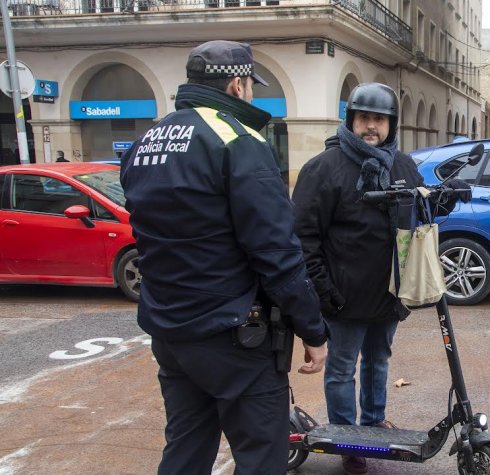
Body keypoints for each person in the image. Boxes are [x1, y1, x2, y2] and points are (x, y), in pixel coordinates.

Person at [120, 40, 328, 474]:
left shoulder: (148, 140)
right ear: (237, 84)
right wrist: (313, 330)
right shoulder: (239, 140)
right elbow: (277, 253)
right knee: (260, 456)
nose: (251, 93)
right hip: (234, 334)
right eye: (251, 85)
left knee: (186, 447)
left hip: (171, 331)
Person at [292, 82, 469, 475]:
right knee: (342, 369)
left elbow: (418, 212)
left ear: (391, 124)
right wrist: (325, 291)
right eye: (363, 118)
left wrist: (446, 197)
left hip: (388, 292)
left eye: (379, 120)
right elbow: (303, 237)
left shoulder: (401, 164)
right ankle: (347, 437)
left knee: (378, 360)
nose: (371, 127)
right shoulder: (324, 168)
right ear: (351, 120)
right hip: (343, 293)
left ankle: (373, 421)